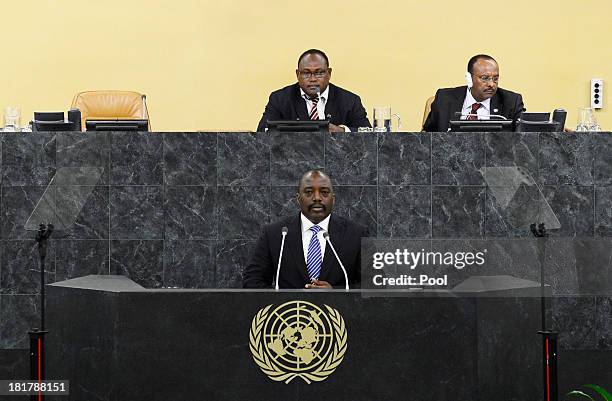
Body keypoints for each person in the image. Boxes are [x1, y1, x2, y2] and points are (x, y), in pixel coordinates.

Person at [243, 170, 368, 289]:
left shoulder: (357, 234)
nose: (317, 198)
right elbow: (252, 281)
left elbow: (374, 285)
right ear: (299, 199)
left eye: (324, 192)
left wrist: (335, 293)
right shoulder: (274, 234)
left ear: (333, 199)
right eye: (309, 192)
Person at [256, 49, 371, 133]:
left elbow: (368, 133)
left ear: (329, 73)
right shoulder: (280, 99)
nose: (312, 79)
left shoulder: (350, 100)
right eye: (306, 73)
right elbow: (262, 132)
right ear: (297, 74)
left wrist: (342, 131)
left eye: (319, 72)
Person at [423, 54, 525, 132]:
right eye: (485, 78)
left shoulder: (511, 102)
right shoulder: (444, 99)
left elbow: (524, 139)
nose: (491, 84)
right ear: (469, 78)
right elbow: (427, 137)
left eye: (495, 79)